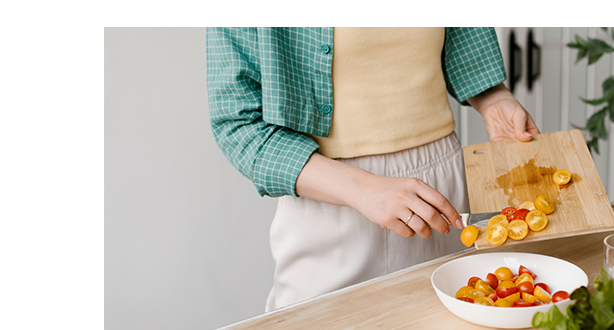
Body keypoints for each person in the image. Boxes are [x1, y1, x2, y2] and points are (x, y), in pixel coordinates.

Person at [207, 27, 539, 311]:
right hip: (327, 198)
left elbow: (466, 43)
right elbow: (238, 125)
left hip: (440, 191)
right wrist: (362, 189)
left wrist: (495, 100)